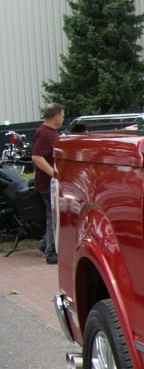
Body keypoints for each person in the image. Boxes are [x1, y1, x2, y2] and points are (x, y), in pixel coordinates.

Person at [31, 102, 63, 264]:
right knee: (52, 217)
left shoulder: (50, 133)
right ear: (56, 116)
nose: (63, 119)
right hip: (47, 184)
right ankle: (51, 252)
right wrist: (54, 174)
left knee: (53, 216)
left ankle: (45, 243)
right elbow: (37, 157)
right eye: (62, 116)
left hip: (50, 182)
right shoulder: (44, 134)